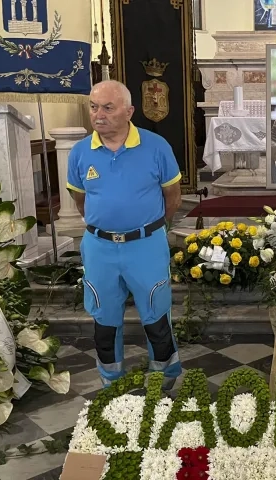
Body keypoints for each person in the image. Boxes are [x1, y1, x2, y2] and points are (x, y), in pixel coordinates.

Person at [66, 80, 183, 389]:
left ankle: (165, 376)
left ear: (129, 111)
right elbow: (80, 200)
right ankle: (111, 379)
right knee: (104, 319)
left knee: (156, 315)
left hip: (146, 245)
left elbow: (172, 196)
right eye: (93, 107)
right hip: (100, 248)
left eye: (108, 107)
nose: (98, 115)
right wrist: (104, 225)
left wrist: (154, 227)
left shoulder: (156, 147)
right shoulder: (80, 152)